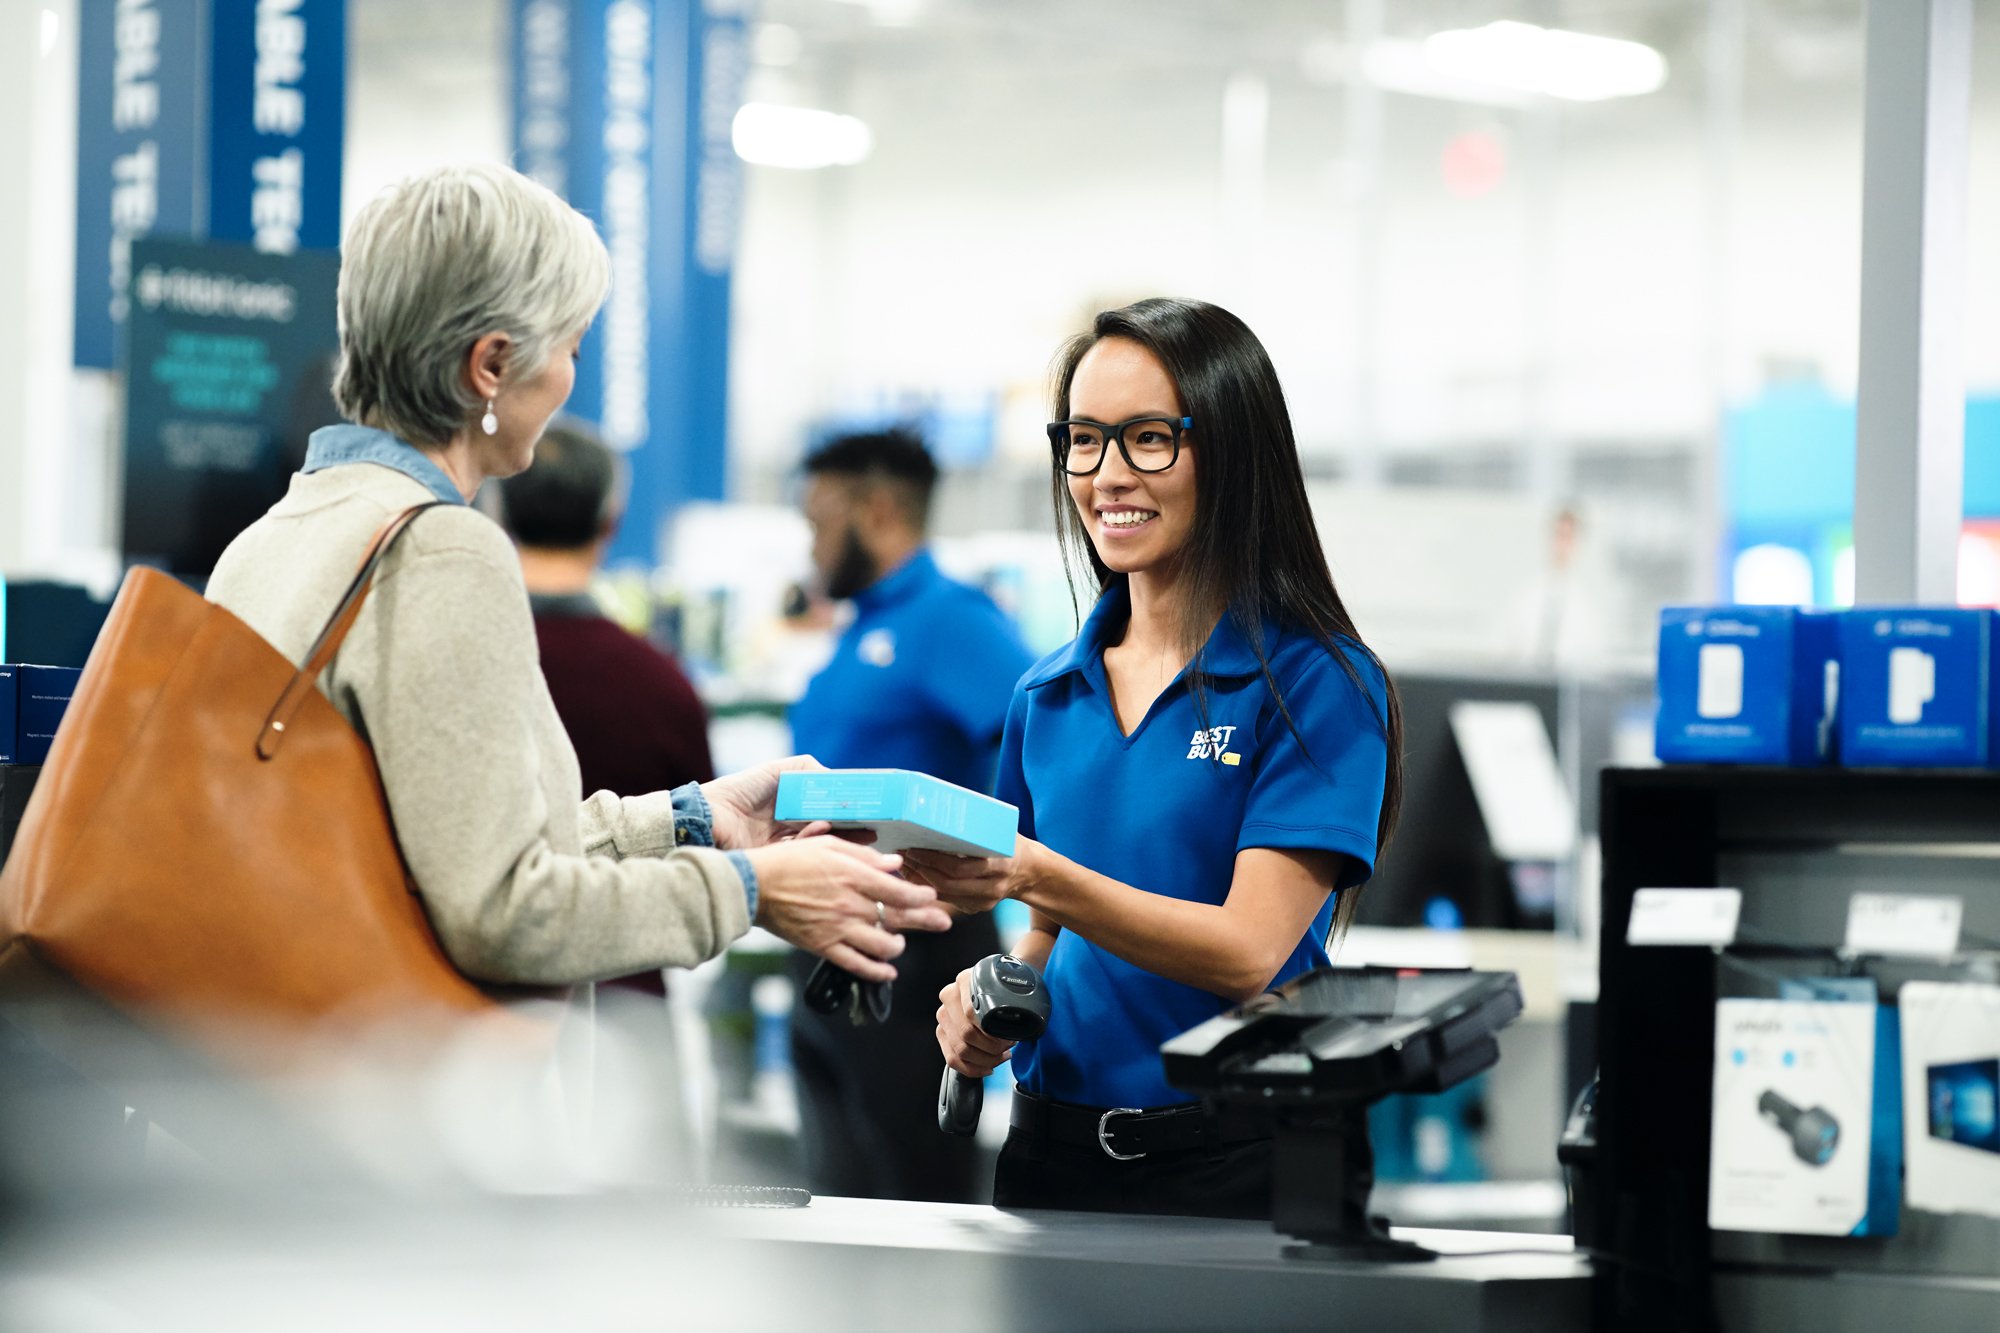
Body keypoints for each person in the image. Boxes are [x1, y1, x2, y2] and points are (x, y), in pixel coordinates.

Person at [204, 163, 949, 1012]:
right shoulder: (442, 551)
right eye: (570, 349)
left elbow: (435, 847)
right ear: (491, 363)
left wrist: (690, 819)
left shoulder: (277, 535)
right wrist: (747, 888)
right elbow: (503, 912)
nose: (568, 381)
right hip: (414, 1107)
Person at [914, 298, 1404, 1219]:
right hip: (1051, 1159)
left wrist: (1036, 874)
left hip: (1241, 1163)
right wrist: (994, 1004)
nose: (1106, 476)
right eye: (1084, 440)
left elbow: (1252, 953)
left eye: (1147, 438)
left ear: (1231, 452)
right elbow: (1055, 933)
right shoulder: (1046, 694)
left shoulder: (1317, 683)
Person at [785, 429, 1035, 1203]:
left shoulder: (949, 619)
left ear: (880, 508)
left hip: (909, 950)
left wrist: (993, 869)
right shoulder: (860, 624)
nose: (812, 543)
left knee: (908, 1192)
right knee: (838, 1192)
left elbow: (1038, 752)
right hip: (830, 940)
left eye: (821, 520)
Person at [497, 420, 714, 800]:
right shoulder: (662, 685)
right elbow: (707, 824)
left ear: (501, 516)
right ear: (611, 522)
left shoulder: (465, 656)